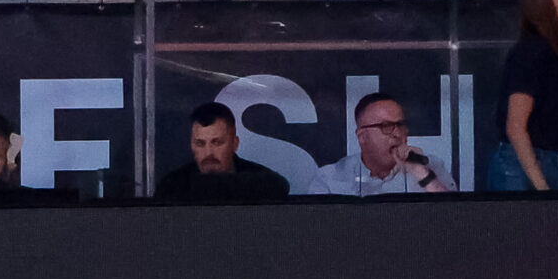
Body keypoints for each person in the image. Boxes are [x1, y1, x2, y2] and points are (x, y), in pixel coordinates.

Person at [491, 0, 558, 191]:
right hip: (524, 167)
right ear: (545, 4)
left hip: (545, 162)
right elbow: (516, 126)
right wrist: (540, 185)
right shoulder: (531, 52)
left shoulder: (548, 54)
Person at [304, 92, 454, 196]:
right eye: (386, 126)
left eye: (400, 125)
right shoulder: (330, 178)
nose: (397, 133)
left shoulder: (430, 167)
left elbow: (453, 217)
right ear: (362, 136)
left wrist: (420, 172)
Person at [154, 102, 291, 201]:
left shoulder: (263, 183)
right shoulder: (172, 187)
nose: (208, 153)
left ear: (234, 144)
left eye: (217, 143)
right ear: (191, 145)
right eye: (200, 144)